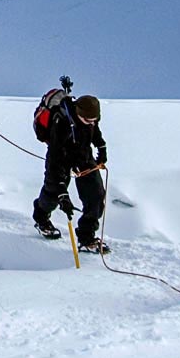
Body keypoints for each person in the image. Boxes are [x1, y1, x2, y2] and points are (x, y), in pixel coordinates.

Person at [32, 94, 109, 253]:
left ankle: (86, 237)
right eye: (89, 120)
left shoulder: (90, 119)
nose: (92, 123)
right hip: (60, 158)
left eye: (95, 119)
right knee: (52, 193)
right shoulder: (61, 124)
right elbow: (55, 160)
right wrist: (62, 193)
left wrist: (101, 148)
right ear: (79, 114)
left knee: (96, 196)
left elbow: (94, 131)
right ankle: (41, 218)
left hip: (83, 157)